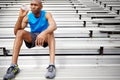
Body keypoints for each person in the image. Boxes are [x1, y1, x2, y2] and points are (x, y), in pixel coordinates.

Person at [3, 0, 57, 79]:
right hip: (33, 37)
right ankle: (14, 66)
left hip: (45, 37)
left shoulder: (47, 14)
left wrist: (43, 33)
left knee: (51, 32)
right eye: (31, 4)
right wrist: (20, 17)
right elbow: (16, 32)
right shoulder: (28, 17)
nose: (33, 6)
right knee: (20, 33)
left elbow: (54, 26)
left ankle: (52, 65)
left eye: (35, 5)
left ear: (41, 7)